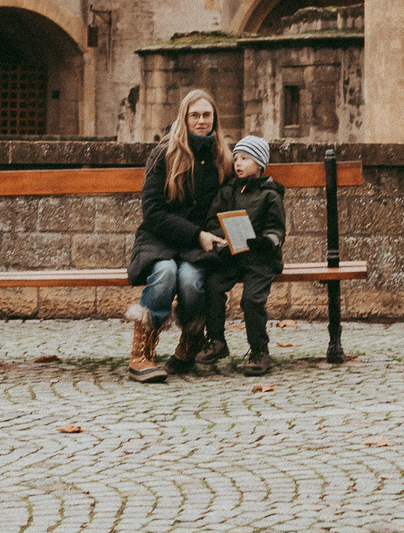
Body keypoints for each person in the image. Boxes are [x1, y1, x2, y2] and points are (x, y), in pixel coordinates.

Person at [123, 87, 231, 383]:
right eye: (194, 115)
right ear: (184, 118)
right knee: (166, 274)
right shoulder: (164, 154)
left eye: (206, 115)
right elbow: (153, 212)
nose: (201, 121)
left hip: (199, 245)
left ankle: (190, 343)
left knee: (190, 282)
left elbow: (232, 204)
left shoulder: (223, 156)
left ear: (214, 119)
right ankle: (141, 354)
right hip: (159, 239)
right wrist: (197, 235)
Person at [202, 134, 287, 376]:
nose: (238, 163)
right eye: (236, 158)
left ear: (259, 164)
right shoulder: (228, 190)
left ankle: (260, 350)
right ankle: (216, 340)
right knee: (212, 285)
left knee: (251, 300)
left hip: (261, 259)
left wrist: (265, 241)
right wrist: (224, 237)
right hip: (233, 254)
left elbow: (276, 228)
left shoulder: (271, 193)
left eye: (245, 159)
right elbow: (211, 221)